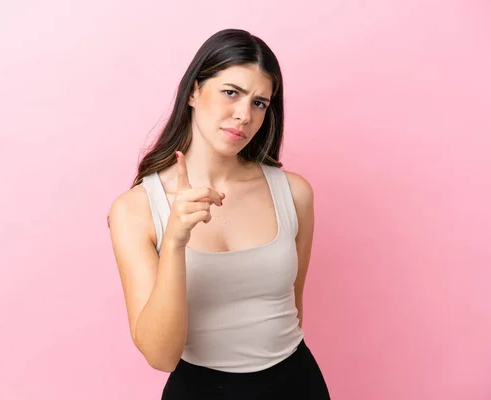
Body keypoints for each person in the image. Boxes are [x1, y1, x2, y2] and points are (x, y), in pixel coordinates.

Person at [108, 28, 330, 399]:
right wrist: (176, 243)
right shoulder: (136, 210)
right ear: (194, 91)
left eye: (260, 102)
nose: (244, 115)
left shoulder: (293, 193)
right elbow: (162, 357)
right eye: (231, 92)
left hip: (296, 384)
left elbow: (293, 305)